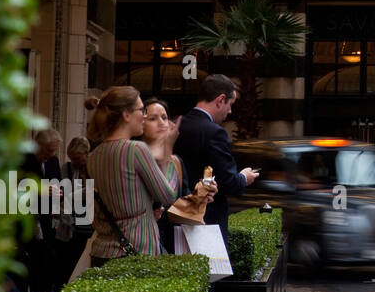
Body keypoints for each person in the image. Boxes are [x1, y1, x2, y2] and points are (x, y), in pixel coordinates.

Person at [86, 87, 180, 263]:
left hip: (101, 252)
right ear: (126, 115)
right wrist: (168, 152)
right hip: (136, 251)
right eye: (141, 110)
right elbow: (168, 195)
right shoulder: (135, 149)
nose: (144, 116)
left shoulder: (92, 157)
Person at [174, 75, 258, 242]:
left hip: (175, 216)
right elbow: (228, 181)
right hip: (206, 221)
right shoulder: (214, 132)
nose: (230, 111)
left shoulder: (175, 124)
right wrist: (243, 178)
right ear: (220, 100)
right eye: (230, 104)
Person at [140, 98, 189, 253]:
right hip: (138, 245)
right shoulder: (132, 159)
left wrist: (202, 196)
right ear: (140, 123)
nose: (161, 123)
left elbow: (183, 201)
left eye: (165, 117)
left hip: (170, 247)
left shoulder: (176, 162)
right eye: (153, 118)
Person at [20, 128, 63, 292]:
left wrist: (59, 194)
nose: (50, 155)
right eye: (48, 150)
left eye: (53, 151)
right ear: (37, 145)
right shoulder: (22, 160)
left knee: (45, 264)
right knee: (25, 269)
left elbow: (58, 186)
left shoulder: (53, 162)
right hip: (25, 221)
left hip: (45, 222)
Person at [52, 136, 94, 289]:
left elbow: (94, 192)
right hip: (69, 224)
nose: (74, 162)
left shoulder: (94, 168)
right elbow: (63, 192)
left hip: (89, 224)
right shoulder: (67, 168)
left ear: (86, 154)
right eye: (72, 158)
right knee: (65, 264)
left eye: (77, 158)